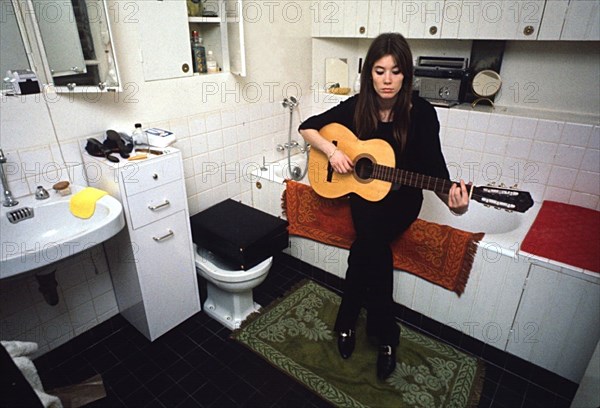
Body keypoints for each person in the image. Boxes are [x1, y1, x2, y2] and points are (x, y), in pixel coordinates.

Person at [298, 33, 470, 381]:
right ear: (369, 74)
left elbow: (436, 171)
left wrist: (456, 206)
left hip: (402, 200)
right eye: (379, 71)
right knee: (372, 247)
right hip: (365, 196)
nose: (387, 80)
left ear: (406, 74)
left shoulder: (422, 114)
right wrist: (333, 152)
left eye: (395, 71)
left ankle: (347, 320)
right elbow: (308, 127)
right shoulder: (359, 105)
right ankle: (386, 336)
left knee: (367, 245)